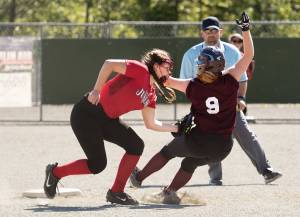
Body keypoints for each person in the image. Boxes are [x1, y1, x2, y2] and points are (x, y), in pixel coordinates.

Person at [129, 12, 255, 204]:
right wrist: (245, 30)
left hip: (200, 140)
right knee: (190, 162)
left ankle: (138, 178)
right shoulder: (231, 79)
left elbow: (165, 80)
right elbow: (249, 55)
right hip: (223, 147)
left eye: (202, 63)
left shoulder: (192, 85)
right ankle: (169, 192)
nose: (200, 65)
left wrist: (154, 66)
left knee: (167, 152)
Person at [43, 48, 179, 205]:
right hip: (88, 114)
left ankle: (116, 192)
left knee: (136, 145)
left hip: (108, 120)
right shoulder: (140, 69)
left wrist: (176, 128)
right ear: (156, 65)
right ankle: (55, 172)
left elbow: (151, 123)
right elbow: (109, 64)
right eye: (167, 66)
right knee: (97, 165)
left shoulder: (151, 93)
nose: (170, 71)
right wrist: (97, 90)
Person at [179, 15, 282, 185]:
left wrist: (241, 97)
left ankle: (266, 170)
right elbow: (186, 82)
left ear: (221, 31)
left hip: (229, 104)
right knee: (211, 138)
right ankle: (215, 178)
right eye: (207, 30)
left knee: (247, 134)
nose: (211, 33)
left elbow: (242, 79)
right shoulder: (191, 54)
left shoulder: (232, 51)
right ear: (202, 33)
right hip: (206, 106)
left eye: (214, 30)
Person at [228, 32, 255, 115]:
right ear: (230, 42)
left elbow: (248, 76)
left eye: (239, 41)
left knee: (240, 112)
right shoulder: (223, 54)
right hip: (226, 87)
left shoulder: (246, 57)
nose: (237, 43)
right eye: (234, 40)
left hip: (239, 86)